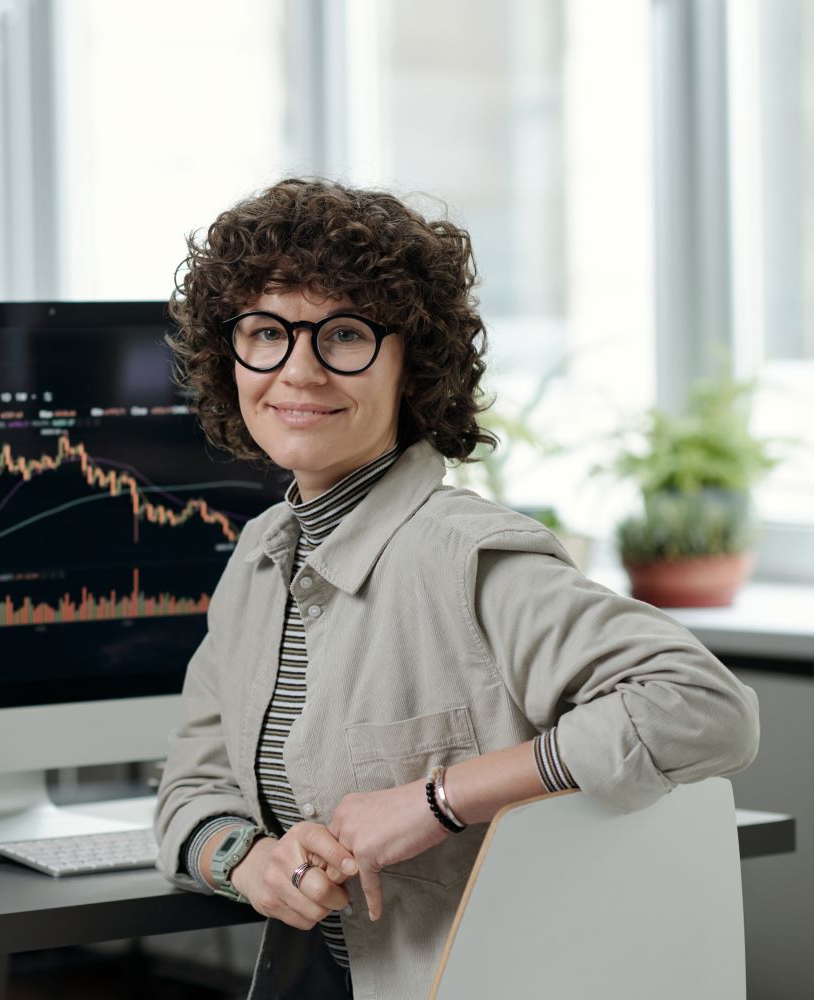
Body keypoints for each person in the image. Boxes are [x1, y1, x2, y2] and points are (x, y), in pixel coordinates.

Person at [153, 179, 760, 999]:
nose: (298, 369)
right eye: (266, 332)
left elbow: (704, 706)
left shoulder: (465, 556)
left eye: (344, 335)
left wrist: (437, 800)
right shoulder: (261, 558)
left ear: (414, 365)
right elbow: (190, 786)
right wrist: (249, 860)